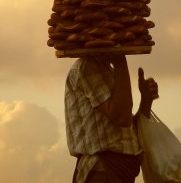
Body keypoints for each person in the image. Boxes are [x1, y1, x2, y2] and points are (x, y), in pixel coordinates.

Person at [64, 53, 159, 183]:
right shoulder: (87, 68)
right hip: (102, 172)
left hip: (116, 172)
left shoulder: (106, 70)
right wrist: (120, 62)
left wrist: (146, 100)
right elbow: (122, 117)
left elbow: (126, 133)